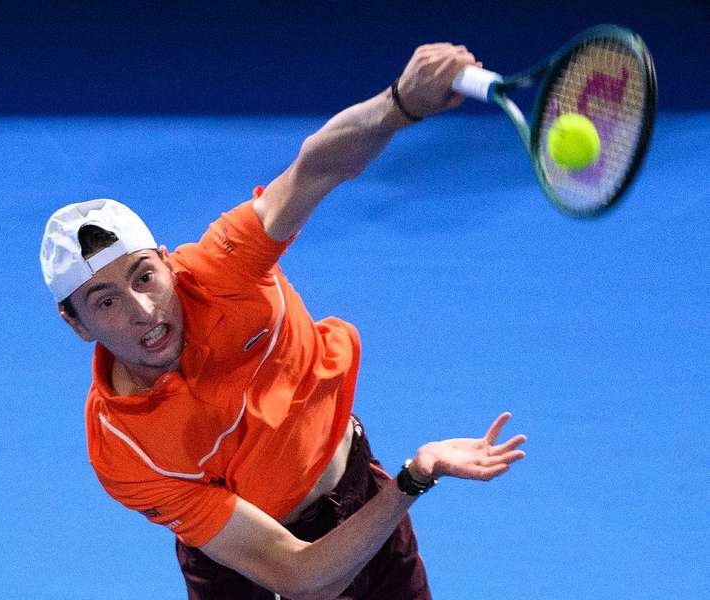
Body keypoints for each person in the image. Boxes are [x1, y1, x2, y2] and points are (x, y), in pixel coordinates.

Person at [40, 42, 527, 600]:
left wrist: (400, 105)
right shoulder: (123, 447)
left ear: (168, 261)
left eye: (144, 277)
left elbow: (315, 167)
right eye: (105, 302)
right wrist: (416, 478)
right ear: (76, 324)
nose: (143, 311)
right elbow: (300, 577)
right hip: (253, 570)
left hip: (361, 493)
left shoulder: (225, 268)